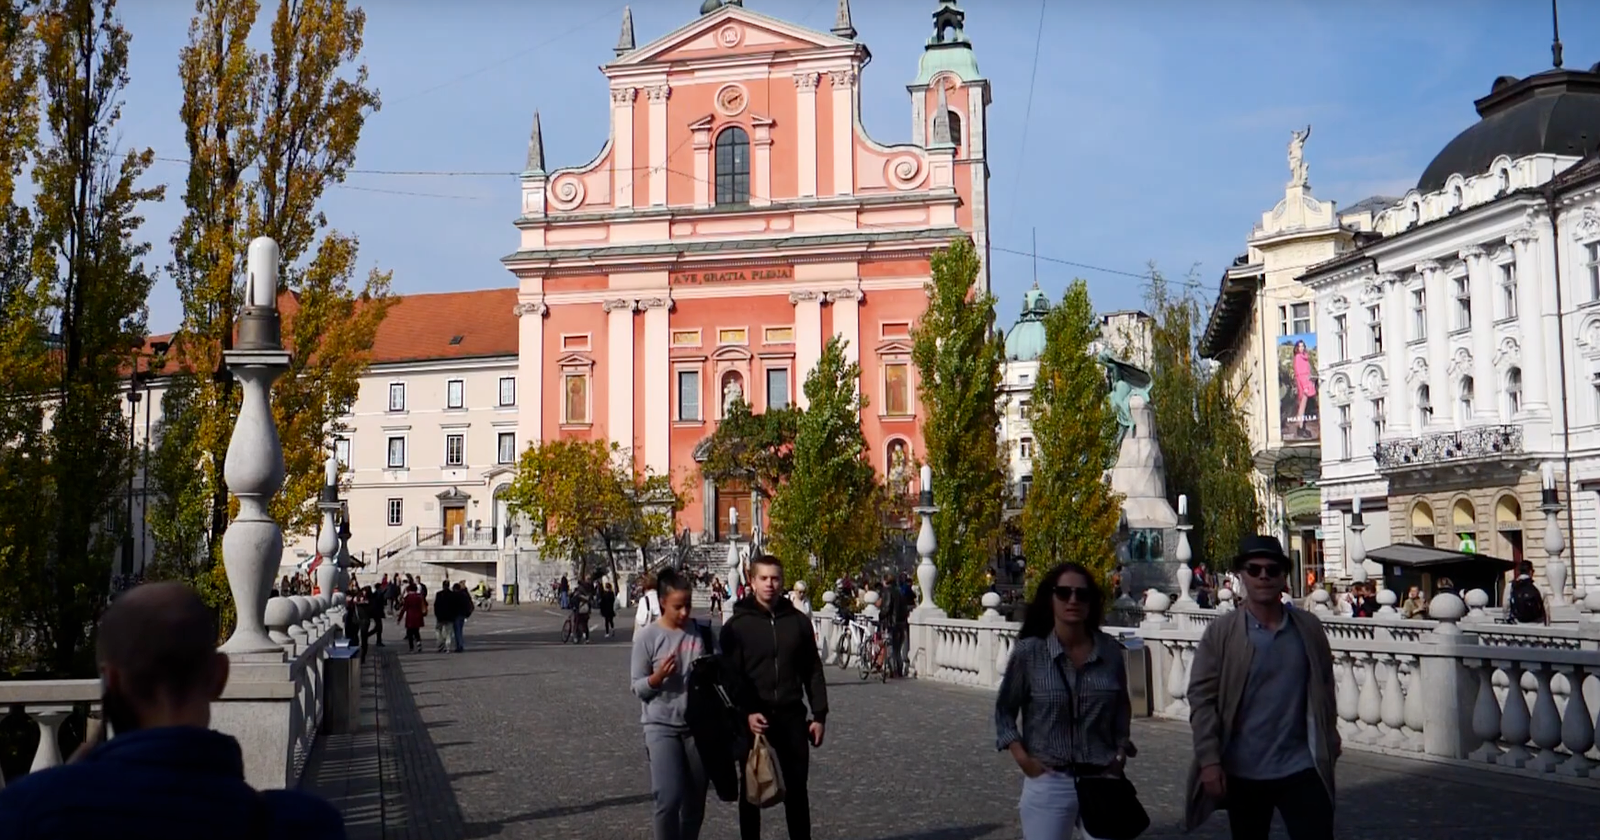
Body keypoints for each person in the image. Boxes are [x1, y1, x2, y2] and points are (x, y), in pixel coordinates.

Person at [0, 583, 346, 839]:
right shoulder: (305, 825)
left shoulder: (28, 813)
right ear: (218, 676)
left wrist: (70, 777)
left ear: (111, 682)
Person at [1186, 535, 1339, 840]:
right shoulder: (1223, 633)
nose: (1263, 576)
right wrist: (1210, 760)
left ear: (1284, 576)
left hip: (1301, 766)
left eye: (1272, 570)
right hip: (1244, 771)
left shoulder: (1307, 628)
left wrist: (1330, 733)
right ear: (1242, 575)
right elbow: (1202, 699)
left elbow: (1323, 684)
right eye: (1254, 570)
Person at [994, 562, 1135, 839]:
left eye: (1082, 594)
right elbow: (1004, 710)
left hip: (1102, 779)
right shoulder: (1030, 653)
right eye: (1064, 593)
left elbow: (1122, 706)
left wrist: (1120, 751)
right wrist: (1023, 758)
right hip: (1050, 780)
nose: (1073, 600)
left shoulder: (1109, 651)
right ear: (1051, 598)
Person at [720, 554, 828, 840]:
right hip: (754, 718)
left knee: (797, 790)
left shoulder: (798, 622)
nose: (770, 584)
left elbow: (812, 670)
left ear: (782, 582)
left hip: (792, 715)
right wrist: (746, 713)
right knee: (752, 790)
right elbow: (731, 677)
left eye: (775, 578)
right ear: (752, 581)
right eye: (764, 578)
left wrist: (819, 715)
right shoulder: (737, 626)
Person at [631, 569, 713, 840]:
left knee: (695, 804)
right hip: (660, 726)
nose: (684, 613)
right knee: (668, 798)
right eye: (678, 607)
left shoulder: (702, 634)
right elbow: (638, 688)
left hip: (698, 728)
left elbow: (720, 674)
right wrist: (657, 678)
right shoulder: (647, 638)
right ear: (663, 602)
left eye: (688, 605)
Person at [878, 572, 910, 678]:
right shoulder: (900, 591)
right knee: (898, 649)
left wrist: (881, 615)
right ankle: (899, 669)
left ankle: (892, 670)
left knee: (891, 648)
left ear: (886, 581)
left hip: (891, 623)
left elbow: (887, 608)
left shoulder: (888, 591)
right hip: (901, 623)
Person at [398, 583, 426, 652]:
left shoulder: (408, 598)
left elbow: (404, 608)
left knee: (409, 633)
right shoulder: (419, 597)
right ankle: (419, 644)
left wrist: (399, 618)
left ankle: (411, 647)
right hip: (418, 616)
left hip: (410, 617)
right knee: (416, 632)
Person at [433, 579, 457, 653]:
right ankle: (447, 647)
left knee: (438, 631)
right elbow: (455, 606)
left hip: (440, 616)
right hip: (450, 616)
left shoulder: (439, 594)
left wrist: (437, 614)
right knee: (448, 632)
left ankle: (440, 644)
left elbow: (436, 605)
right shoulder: (452, 594)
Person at [451, 582, 472, 652]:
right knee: (459, 630)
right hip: (462, 615)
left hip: (456, 614)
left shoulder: (455, 596)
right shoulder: (464, 595)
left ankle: (459, 646)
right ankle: (459, 645)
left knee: (457, 631)